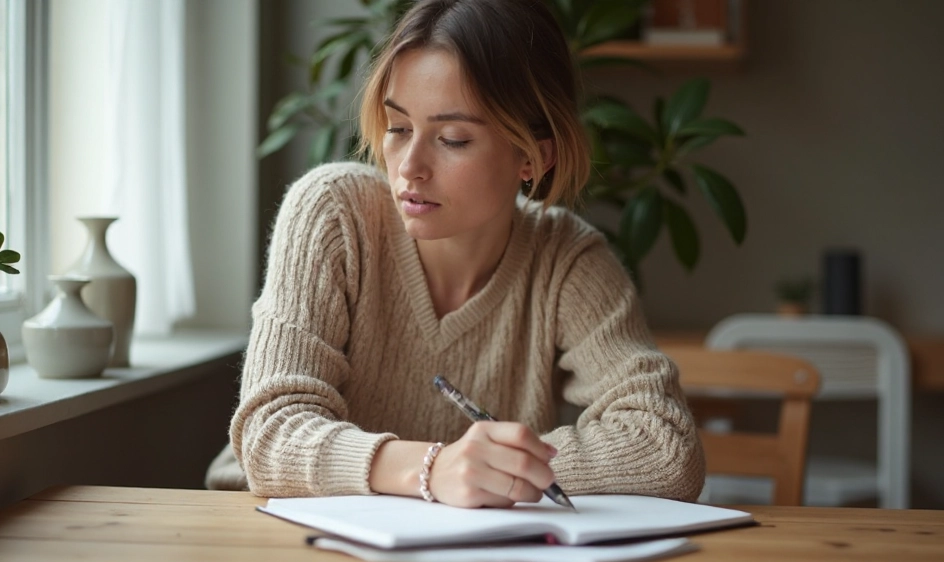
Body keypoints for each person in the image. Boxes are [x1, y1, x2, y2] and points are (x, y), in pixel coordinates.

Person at [206, 0, 705, 507]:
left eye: (453, 138)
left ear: (533, 156)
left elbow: (666, 447)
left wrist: (480, 471)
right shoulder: (334, 215)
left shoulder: (567, 261)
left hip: (464, 552)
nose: (409, 167)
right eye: (398, 129)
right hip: (272, 532)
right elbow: (270, 435)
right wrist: (435, 469)